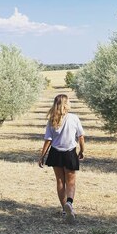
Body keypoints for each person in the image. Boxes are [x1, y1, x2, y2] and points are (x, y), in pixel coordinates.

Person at [38, 94, 85, 222]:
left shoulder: (52, 119)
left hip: (55, 153)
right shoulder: (74, 118)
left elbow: (48, 139)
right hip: (70, 152)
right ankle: (69, 203)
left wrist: (42, 156)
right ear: (65, 104)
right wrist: (82, 150)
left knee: (60, 181)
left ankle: (64, 210)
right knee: (71, 181)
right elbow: (80, 136)